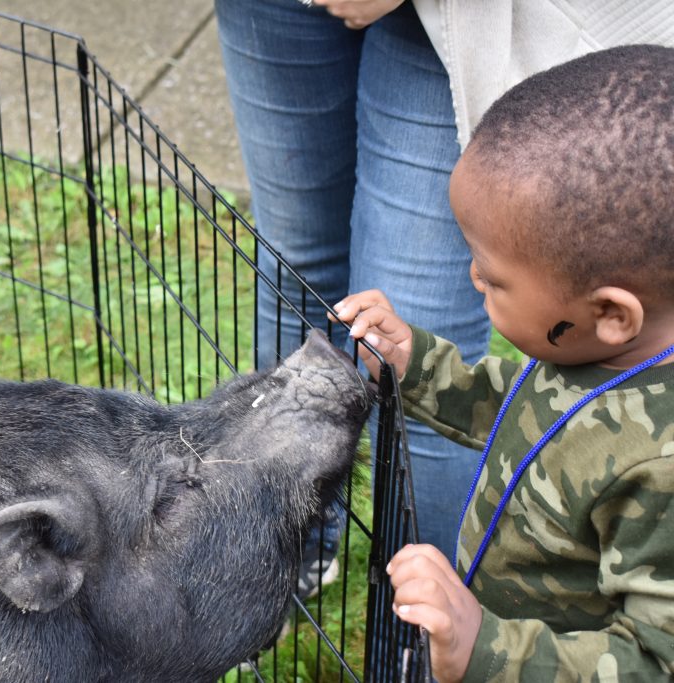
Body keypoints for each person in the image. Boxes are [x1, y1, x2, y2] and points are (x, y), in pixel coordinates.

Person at [335, 45, 674, 680]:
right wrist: (418, 368)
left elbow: (655, 663)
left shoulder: (662, 471)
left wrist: (482, 646)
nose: (473, 278)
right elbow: (528, 410)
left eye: (493, 280)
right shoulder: (589, 346)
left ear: (612, 313)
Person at [215, 0, 490, 596]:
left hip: (458, 15)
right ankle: (289, 541)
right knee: (296, 268)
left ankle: (421, 634)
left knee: (415, 338)